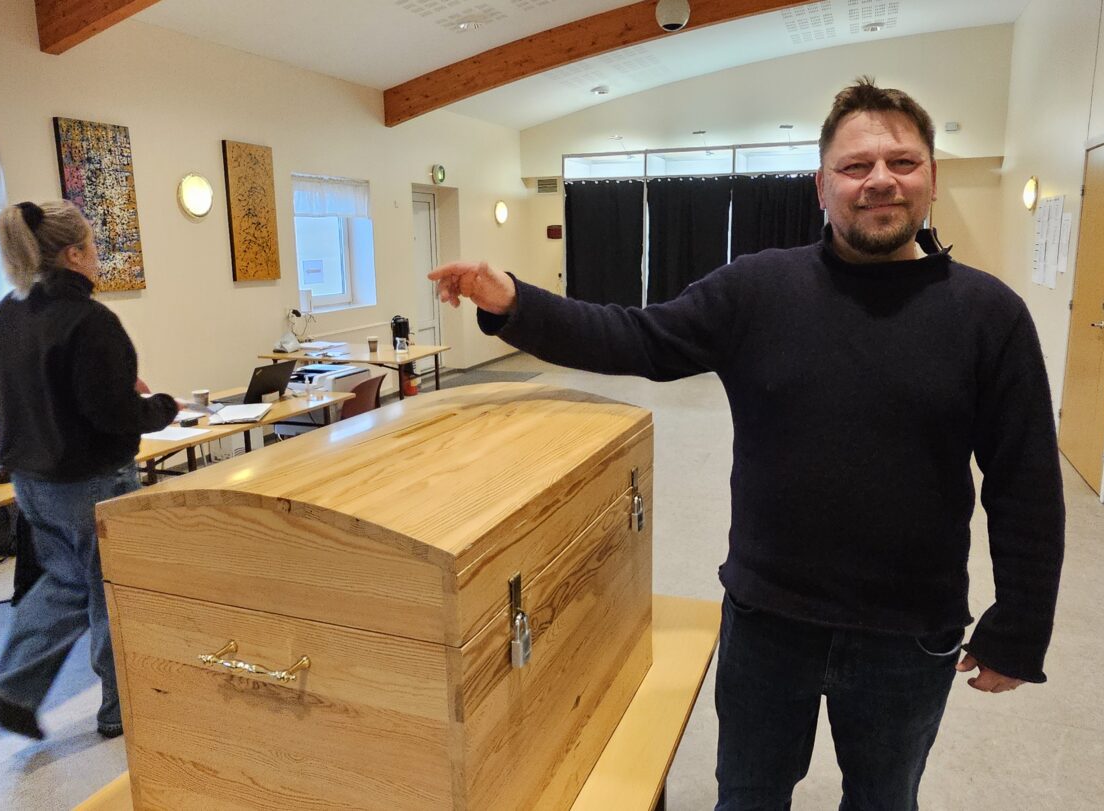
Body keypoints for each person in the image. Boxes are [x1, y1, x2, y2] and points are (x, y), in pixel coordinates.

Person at [429, 77, 1065, 810]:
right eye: (855, 166)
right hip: (768, 619)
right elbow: (639, 337)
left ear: (932, 178)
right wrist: (515, 302)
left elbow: (1025, 482)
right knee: (748, 798)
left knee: (885, 801)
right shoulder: (759, 290)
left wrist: (1020, 626)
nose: (880, 180)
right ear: (821, 186)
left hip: (909, 633)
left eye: (902, 162)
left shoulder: (988, 314)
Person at [0, 200, 177, 740]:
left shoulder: (3, 316)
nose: (96, 257)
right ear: (72, 254)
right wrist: (161, 407)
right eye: (91, 247)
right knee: (111, 589)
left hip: (31, 480)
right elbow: (111, 414)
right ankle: (120, 710)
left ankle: (12, 687)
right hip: (91, 480)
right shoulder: (90, 320)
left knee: (65, 580)